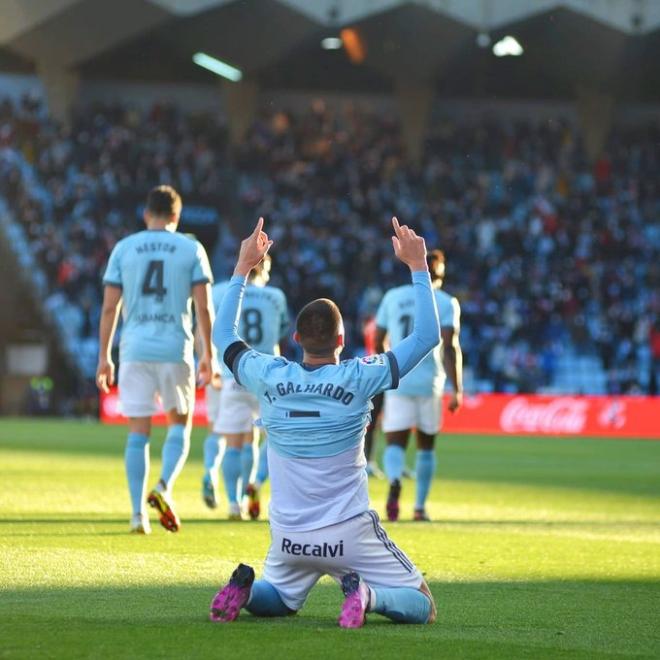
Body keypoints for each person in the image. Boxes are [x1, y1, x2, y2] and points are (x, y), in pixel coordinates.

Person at [209, 217, 438, 628]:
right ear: (341, 340)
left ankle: (246, 589)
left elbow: (223, 334)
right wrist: (418, 266)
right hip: (348, 533)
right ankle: (368, 597)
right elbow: (426, 337)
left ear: (295, 340)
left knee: (278, 597)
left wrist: (243, 267)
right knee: (423, 605)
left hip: (289, 537)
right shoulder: (359, 375)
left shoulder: (269, 374)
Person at [96, 185, 214, 534]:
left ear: (147, 214)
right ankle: (162, 487)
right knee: (180, 424)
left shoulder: (124, 248)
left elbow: (108, 308)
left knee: (138, 433)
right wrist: (208, 353)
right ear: (177, 216)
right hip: (174, 348)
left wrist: (105, 356)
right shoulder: (191, 248)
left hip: (134, 349)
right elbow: (204, 307)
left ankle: (137, 515)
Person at [375, 249, 462, 522]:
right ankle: (420, 507)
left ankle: (394, 481)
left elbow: (379, 339)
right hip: (429, 382)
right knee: (426, 446)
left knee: (395, 443)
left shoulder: (393, 297)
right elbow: (451, 347)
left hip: (399, 379)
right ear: (441, 272)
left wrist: (388, 369)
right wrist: (457, 389)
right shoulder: (447, 302)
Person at [202, 254, 289, 519]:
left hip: (232, 371)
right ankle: (255, 483)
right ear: (265, 270)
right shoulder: (276, 297)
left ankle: (232, 501)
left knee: (231, 439)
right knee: (262, 437)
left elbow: (206, 329)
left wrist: (206, 361)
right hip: (267, 374)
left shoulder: (219, 292)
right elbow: (282, 330)